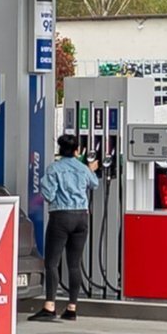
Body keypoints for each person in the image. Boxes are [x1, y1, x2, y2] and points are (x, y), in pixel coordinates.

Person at [31, 133, 99, 322]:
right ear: (77, 151)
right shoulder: (83, 168)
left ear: (60, 150)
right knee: (74, 264)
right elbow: (94, 184)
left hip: (61, 216)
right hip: (81, 217)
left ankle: (49, 306)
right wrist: (91, 169)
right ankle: (72, 308)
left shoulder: (54, 168)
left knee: (52, 262)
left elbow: (48, 194)